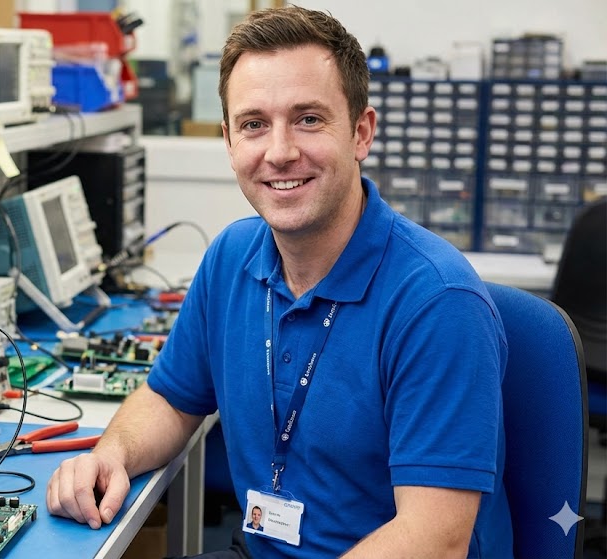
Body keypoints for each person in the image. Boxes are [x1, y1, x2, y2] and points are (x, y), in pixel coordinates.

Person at [47, 6, 514, 558]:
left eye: (309, 119)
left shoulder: (437, 301)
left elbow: (436, 541)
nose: (279, 151)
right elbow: (170, 401)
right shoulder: (230, 256)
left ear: (361, 132)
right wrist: (112, 454)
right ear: (228, 142)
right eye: (254, 125)